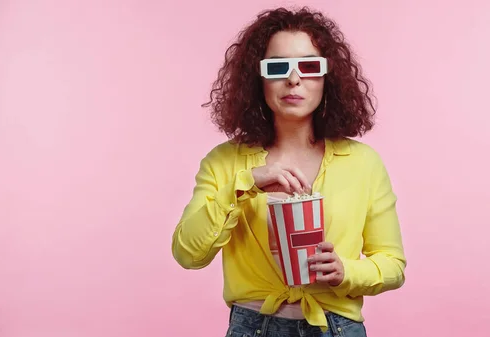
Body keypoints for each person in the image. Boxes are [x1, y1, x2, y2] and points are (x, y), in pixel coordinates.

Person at [171, 6, 407, 337]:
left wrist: (346, 271)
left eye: (309, 66)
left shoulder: (363, 163)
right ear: (259, 78)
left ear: (328, 77)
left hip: (336, 327)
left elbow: (393, 265)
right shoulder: (225, 161)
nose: (294, 79)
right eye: (278, 66)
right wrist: (244, 185)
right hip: (252, 326)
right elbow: (188, 252)